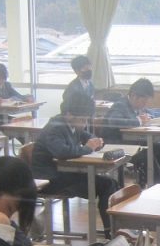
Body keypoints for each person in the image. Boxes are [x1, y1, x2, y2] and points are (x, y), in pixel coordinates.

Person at [31, 93, 117, 238]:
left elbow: (87, 136)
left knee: (112, 184)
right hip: (50, 179)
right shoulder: (55, 127)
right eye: (82, 119)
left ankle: (113, 228)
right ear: (69, 114)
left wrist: (95, 141)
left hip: (65, 175)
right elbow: (62, 152)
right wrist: (88, 148)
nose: (84, 124)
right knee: (107, 185)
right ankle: (110, 232)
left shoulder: (71, 125)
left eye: (86, 120)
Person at [99, 77, 160, 186]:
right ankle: (158, 185)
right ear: (134, 96)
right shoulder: (120, 105)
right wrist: (139, 120)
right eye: (144, 101)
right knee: (147, 155)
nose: (145, 104)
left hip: (132, 142)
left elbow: (149, 114)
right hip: (116, 144)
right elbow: (114, 121)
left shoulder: (136, 106)